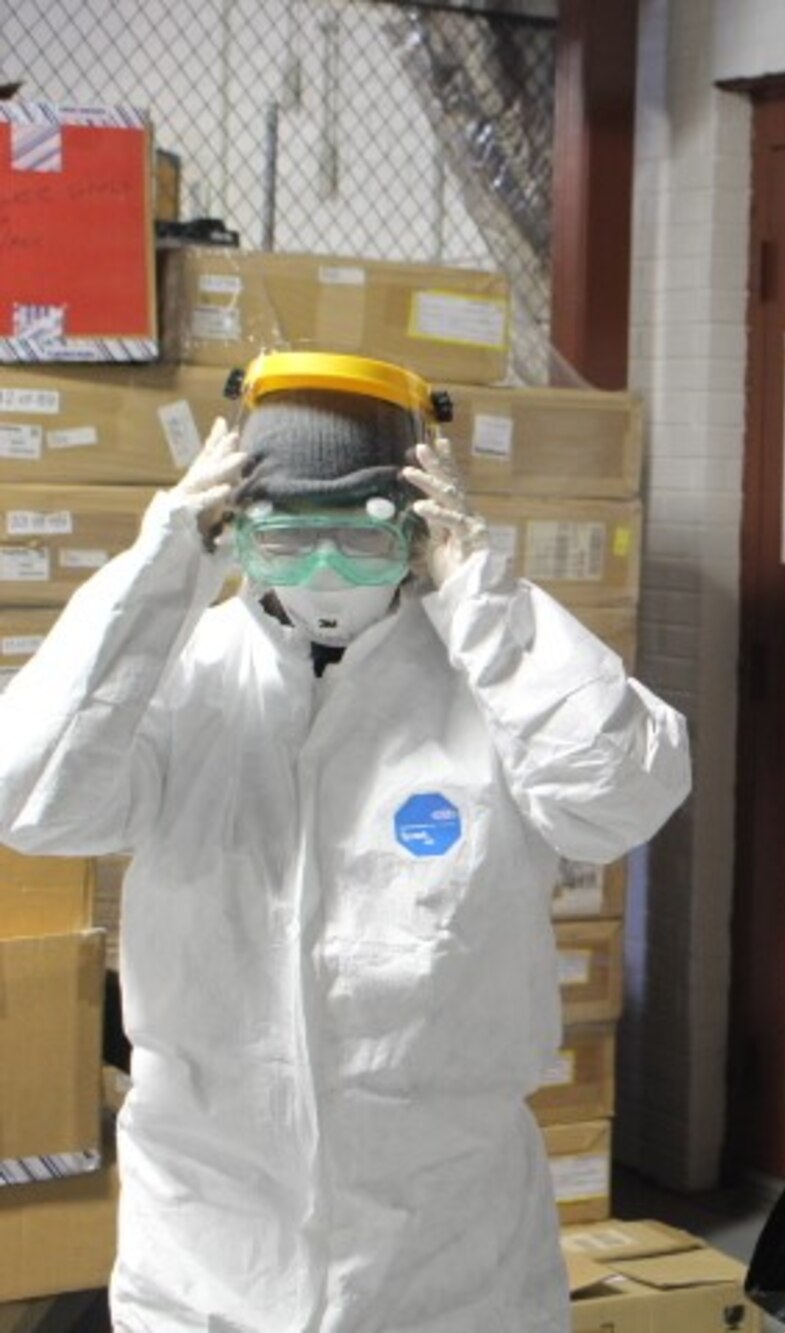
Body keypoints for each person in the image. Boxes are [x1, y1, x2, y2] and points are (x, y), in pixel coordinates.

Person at [0, 353, 691, 1331]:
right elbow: (27, 796)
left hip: (448, 1269)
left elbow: (619, 793)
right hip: (210, 1264)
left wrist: (482, 597)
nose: (322, 575)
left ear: (418, 534)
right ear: (235, 533)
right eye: (287, 541)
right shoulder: (189, 679)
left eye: (358, 540)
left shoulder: (493, 682)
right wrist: (163, 564)